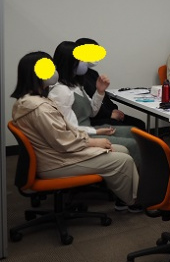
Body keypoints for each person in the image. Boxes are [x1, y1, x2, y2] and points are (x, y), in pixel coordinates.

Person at [11, 52, 139, 209]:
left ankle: (125, 196)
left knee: (123, 150)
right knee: (124, 161)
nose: (54, 72)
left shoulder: (32, 100)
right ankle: (133, 201)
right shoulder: (39, 108)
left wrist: (92, 138)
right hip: (56, 161)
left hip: (57, 153)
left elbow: (66, 130)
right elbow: (63, 141)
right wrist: (94, 142)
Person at [48, 41, 142, 170]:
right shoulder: (61, 91)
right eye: (80, 59)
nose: (84, 62)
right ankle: (138, 176)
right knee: (132, 144)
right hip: (82, 137)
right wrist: (97, 131)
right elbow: (68, 130)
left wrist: (99, 91)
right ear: (69, 62)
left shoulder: (75, 84)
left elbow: (91, 112)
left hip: (88, 130)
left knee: (134, 132)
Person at [75, 37, 145, 130]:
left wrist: (113, 109)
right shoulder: (76, 78)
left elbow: (103, 97)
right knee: (133, 128)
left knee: (139, 124)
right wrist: (109, 114)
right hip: (94, 119)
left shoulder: (93, 73)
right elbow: (88, 106)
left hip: (106, 113)